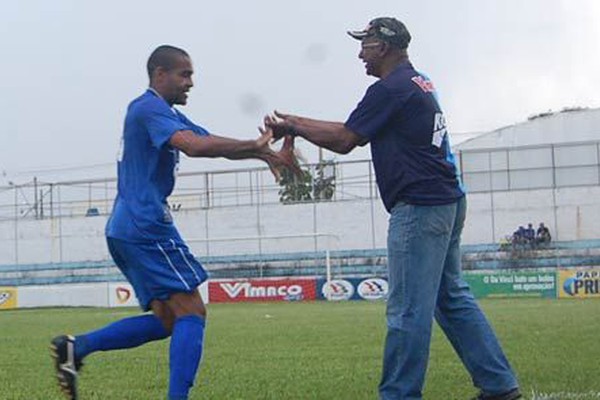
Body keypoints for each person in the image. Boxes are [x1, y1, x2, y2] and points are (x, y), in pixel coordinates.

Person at [266, 17, 521, 400]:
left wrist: (294, 125)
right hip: (448, 199)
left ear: (383, 47)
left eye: (365, 44)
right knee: (449, 297)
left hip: (420, 207)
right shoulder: (419, 81)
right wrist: (298, 125)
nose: (360, 53)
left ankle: (400, 395)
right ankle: (498, 384)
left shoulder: (389, 90)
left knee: (407, 310)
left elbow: (345, 139)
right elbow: (351, 130)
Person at [50, 45, 299, 400]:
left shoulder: (164, 113)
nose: (191, 83)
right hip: (145, 223)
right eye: (185, 74)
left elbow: (208, 141)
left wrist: (263, 152)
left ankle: (78, 348)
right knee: (192, 311)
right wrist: (256, 146)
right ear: (159, 74)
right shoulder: (149, 107)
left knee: (169, 319)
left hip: (126, 226)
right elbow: (193, 147)